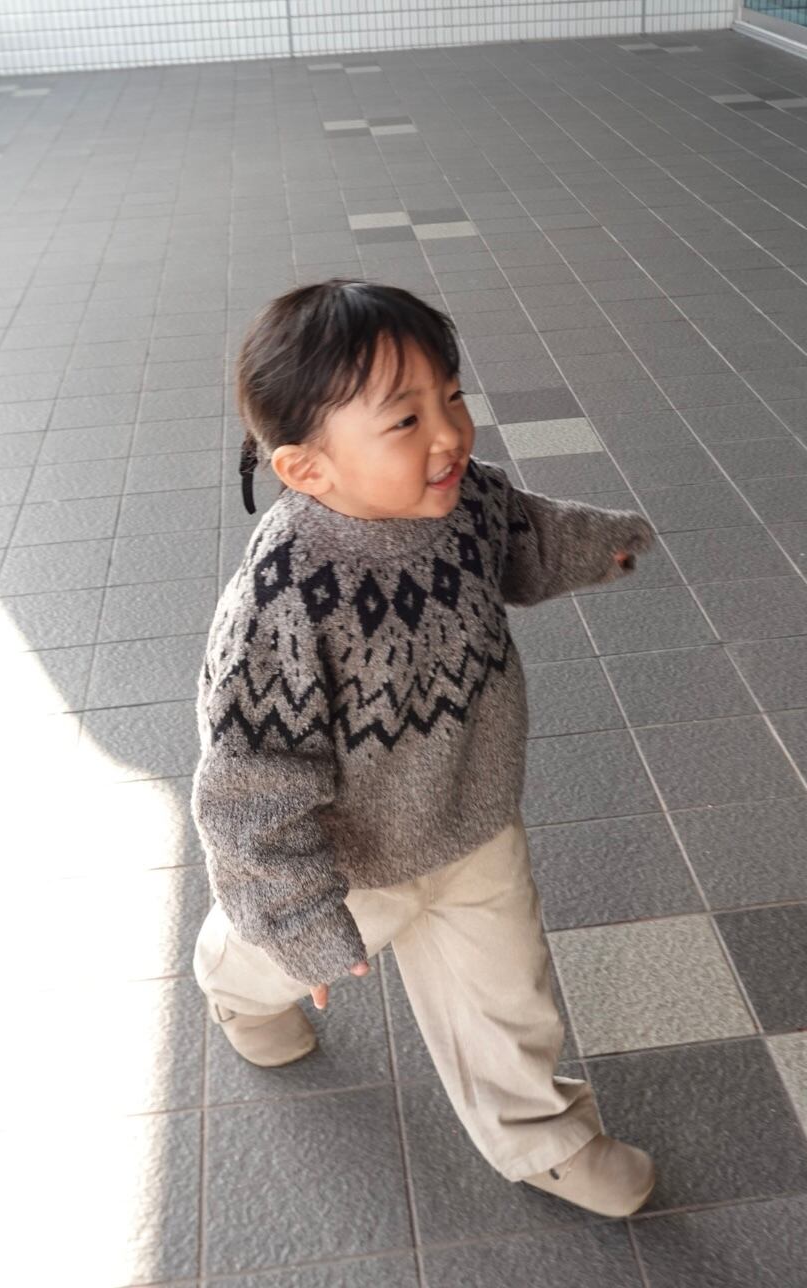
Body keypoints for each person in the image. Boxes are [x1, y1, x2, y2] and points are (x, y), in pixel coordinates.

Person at [190, 279, 657, 1218]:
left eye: (451, 396)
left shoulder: (463, 500)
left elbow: (522, 535)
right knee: (277, 952)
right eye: (405, 420)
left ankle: (541, 1137)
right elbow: (248, 785)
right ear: (306, 468)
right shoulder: (286, 598)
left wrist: (597, 545)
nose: (449, 434)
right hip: (352, 855)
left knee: (506, 990)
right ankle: (235, 981)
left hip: (473, 812)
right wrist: (294, 913)